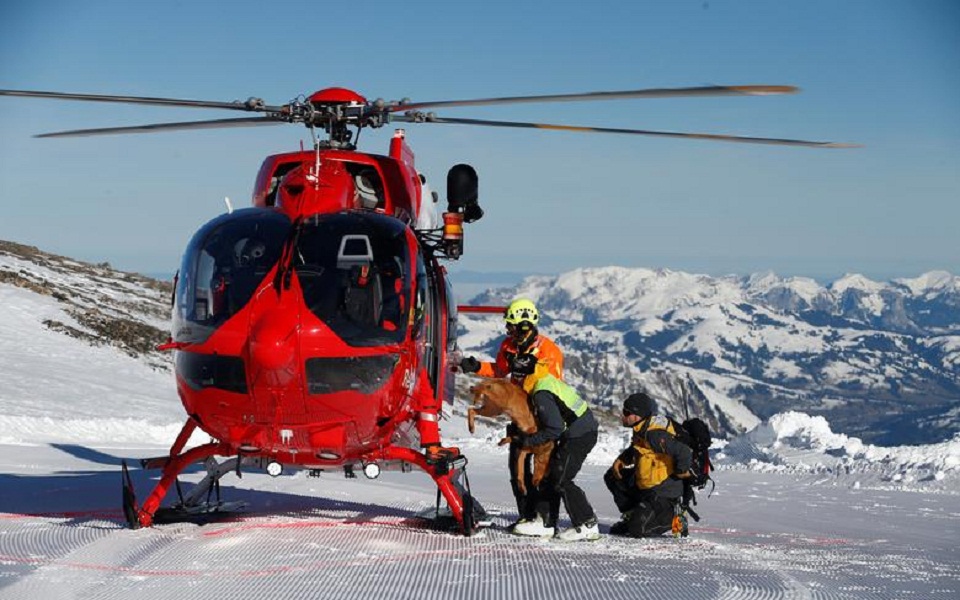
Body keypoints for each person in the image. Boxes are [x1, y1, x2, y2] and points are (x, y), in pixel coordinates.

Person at [458, 298, 564, 520]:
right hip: (519, 415)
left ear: (525, 326)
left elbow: (551, 384)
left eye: (511, 326)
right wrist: (476, 366)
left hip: (542, 418)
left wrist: (531, 367)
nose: (508, 330)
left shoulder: (548, 351)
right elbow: (499, 369)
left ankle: (546, 519)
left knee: (543, 468)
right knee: (517, 468)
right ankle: (526, 516)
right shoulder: (508, 347)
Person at [509, 353, 601, 542]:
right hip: (577, 430)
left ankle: (587, 523)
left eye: (517, 376)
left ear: (526, 375)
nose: (514, 380)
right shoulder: (542, 378)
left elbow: (555, 428)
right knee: (549, 475)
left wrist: (529, 442)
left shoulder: (541, 393)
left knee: (561, 479)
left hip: (580, 435)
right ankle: (545, 523)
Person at [604, 392, 693, 538]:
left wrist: (681, 471)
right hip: (646, 484)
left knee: (637, 530)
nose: (622, 415)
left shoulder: (654, 435)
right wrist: (622, 460)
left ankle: (674, 517)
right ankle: (631, 515)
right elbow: (640, 449)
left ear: (637, 415)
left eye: (627, 412)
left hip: (663, 491)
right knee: (612, 476)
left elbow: (684, 452)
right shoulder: (641, 429)